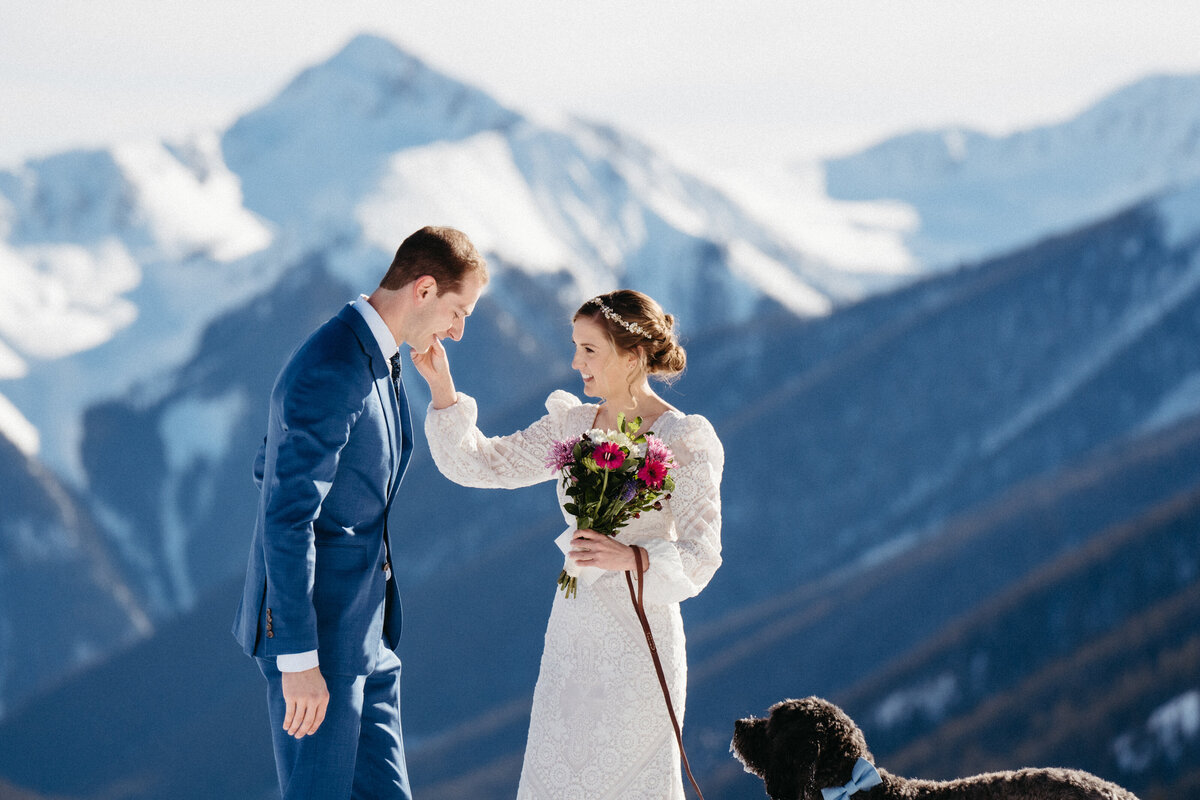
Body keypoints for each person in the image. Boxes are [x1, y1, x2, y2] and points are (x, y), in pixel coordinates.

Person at [413, 289, 724, 799]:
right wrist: (443, 390)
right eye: (576, 347)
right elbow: (485, 464)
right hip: (572, 636)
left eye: (589, 349)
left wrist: (632, 557)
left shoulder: (684, 438)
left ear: (634, 355)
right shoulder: (574, 425)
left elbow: (702, 554)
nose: (575, 362)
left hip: (641, 641)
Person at [232, 226, 487, 800]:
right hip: (316, 647)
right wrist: (298, 655)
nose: (458, 330)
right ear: (424, 289)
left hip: (365, 638)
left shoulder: (377, 358)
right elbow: (285, 511)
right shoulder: (334, 364)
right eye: (457, 310)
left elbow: (266, 466)